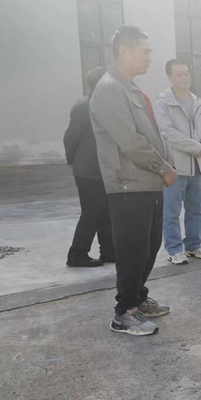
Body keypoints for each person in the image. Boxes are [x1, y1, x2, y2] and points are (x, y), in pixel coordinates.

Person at [90, 26, 178, 336]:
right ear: (124, 51)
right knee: (132, 251)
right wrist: (163, 167)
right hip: (128, 185)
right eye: (145, 51)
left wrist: (164, 166)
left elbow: (152, 134)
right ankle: (124, 313)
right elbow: (130, 141)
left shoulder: (130, 89)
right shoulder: (109, 89)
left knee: (149, 246)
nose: (149, 58)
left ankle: (137, 298)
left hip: (146, 183)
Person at [154, 59, 201, 264]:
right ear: (170, 78)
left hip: (198, 167)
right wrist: (195, 147)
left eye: (186, 73)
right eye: (179, 74)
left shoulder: (198, 102)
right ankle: (174, 249)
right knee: (171, 211)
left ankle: (193, 246)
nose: (184, 78)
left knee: (196, 210)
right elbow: (166, 132)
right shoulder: (163, 102)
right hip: (175, 167)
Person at [63, 66, 114, 267]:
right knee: (91, 212)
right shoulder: (84, 106)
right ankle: (77, 254)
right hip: (88, 170)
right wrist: (73, 161)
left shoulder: (102, 104)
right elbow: (71, 137)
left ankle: (109, 251)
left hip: (103, 168)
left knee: (106, 211)